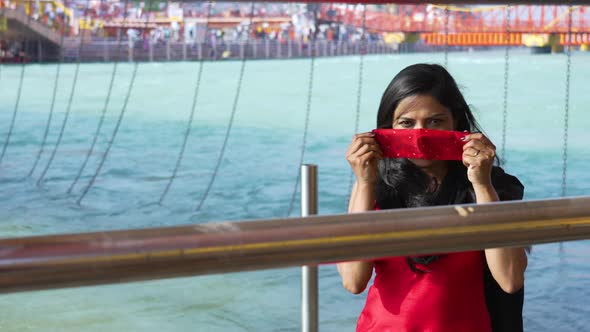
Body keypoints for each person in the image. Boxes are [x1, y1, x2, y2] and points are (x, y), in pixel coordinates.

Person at [338, 63, 528, 332]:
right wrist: (365, 181)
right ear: (388, 127)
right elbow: (353, 281)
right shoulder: (374, 184)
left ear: (457, 124)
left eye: (435, 122)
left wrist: (482, 184)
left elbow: (510, 278)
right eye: (406, 123)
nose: (420, 135)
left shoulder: (493, 186)